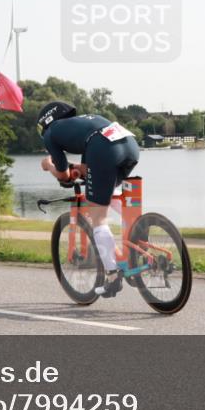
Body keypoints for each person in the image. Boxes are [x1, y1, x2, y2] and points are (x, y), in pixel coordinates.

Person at [37, 101, 140, 297]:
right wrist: (76, 167)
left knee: (98, 216)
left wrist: (48, 165)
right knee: (107, 193)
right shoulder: (87, 123)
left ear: (45, 123)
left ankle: (112, 275)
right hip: (130, 146)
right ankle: (136, 243)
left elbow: (63, 174)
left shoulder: (51, 133)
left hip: (103, 150)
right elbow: (88, 167)